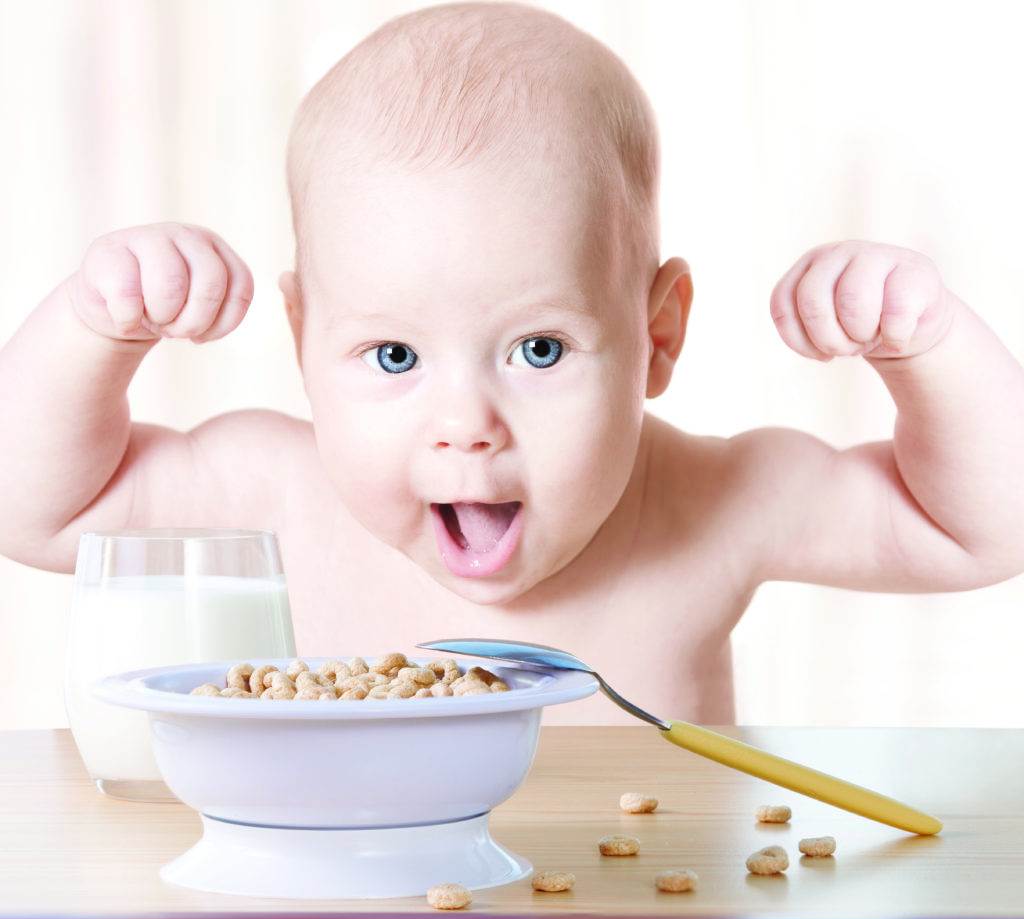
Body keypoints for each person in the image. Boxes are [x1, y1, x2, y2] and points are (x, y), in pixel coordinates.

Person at [2, 2, 1022, 725]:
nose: (466, 421)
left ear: (657, 334)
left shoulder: (707, 502)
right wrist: (99, 325)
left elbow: (977, 530)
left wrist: (921, 345)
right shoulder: (282, 493)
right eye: (393, 353)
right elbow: (30, 505)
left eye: (538, 349)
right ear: (305, 337)